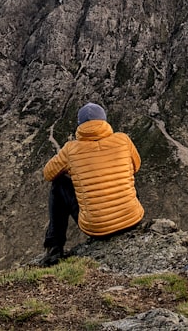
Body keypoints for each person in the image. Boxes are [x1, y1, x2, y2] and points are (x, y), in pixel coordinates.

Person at [40, 102, 144, 266]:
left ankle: (54, 248)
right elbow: (136, 166)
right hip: (132, 220)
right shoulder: (123, 139)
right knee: (124, 175)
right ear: (104, 121)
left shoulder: (71, 149)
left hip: (98, 228)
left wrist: (75, 170)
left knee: (59, 185)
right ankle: (125, 212)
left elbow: (48, 174)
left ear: (80, 125)